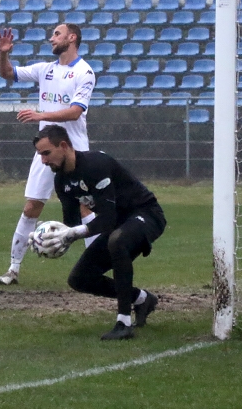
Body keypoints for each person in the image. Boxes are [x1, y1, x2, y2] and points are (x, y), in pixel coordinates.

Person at [32, 124, 164, 340]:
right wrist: (50, 236)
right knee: (79, 278)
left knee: (117, 242)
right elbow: (71, 223)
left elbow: (107, 218)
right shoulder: (61, 181)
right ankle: (142, 299)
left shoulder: (96, 165)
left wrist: (73, 233)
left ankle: (123, 323)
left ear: (63, 146)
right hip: (117, 224)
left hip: (145, 214)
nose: (43, 161)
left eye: (46, 153)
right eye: (40, 155)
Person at [0, 24, 96, 286]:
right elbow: (7, 72)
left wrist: (40, 115)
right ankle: (12, 270)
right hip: (47, 152)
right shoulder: (45, 69)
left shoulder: (84, 72)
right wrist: (4, 53)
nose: (52, 38)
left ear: (72, 38)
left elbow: (75, 111)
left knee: (86, 208)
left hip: (75, 150)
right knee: (31, 207)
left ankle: (97, 266)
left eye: (57, 34)